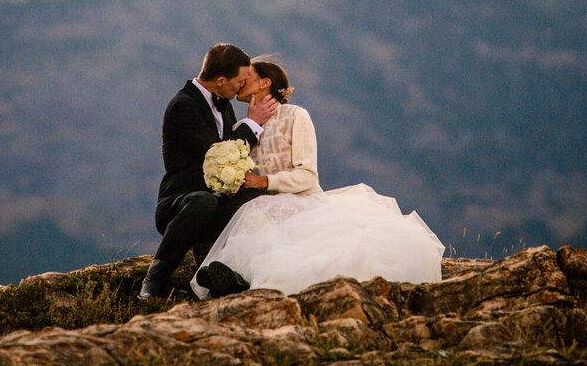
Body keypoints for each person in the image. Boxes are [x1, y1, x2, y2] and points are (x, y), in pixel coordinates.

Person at [191, 59, 444, 299]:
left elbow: (307, 175)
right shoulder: (240, 130)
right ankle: (230, 279)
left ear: (265, 83)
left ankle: (237, 279)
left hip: (303, 205)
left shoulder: (295, 116)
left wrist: (264, 182)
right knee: (255, 219)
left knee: (261, 223)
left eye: (248, 76)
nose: (241, 80)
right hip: (264, 209)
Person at [139, 43, 279, 299]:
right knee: (202, 202)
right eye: (240, 80)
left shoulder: (223, 103)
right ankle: (155, 278)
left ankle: (230, 276)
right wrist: (252, 123)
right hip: (182, 204)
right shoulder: (183, 105)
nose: (242, 85)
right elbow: (218, 153)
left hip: (216, 203)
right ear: (221, 79)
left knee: (259, 200)